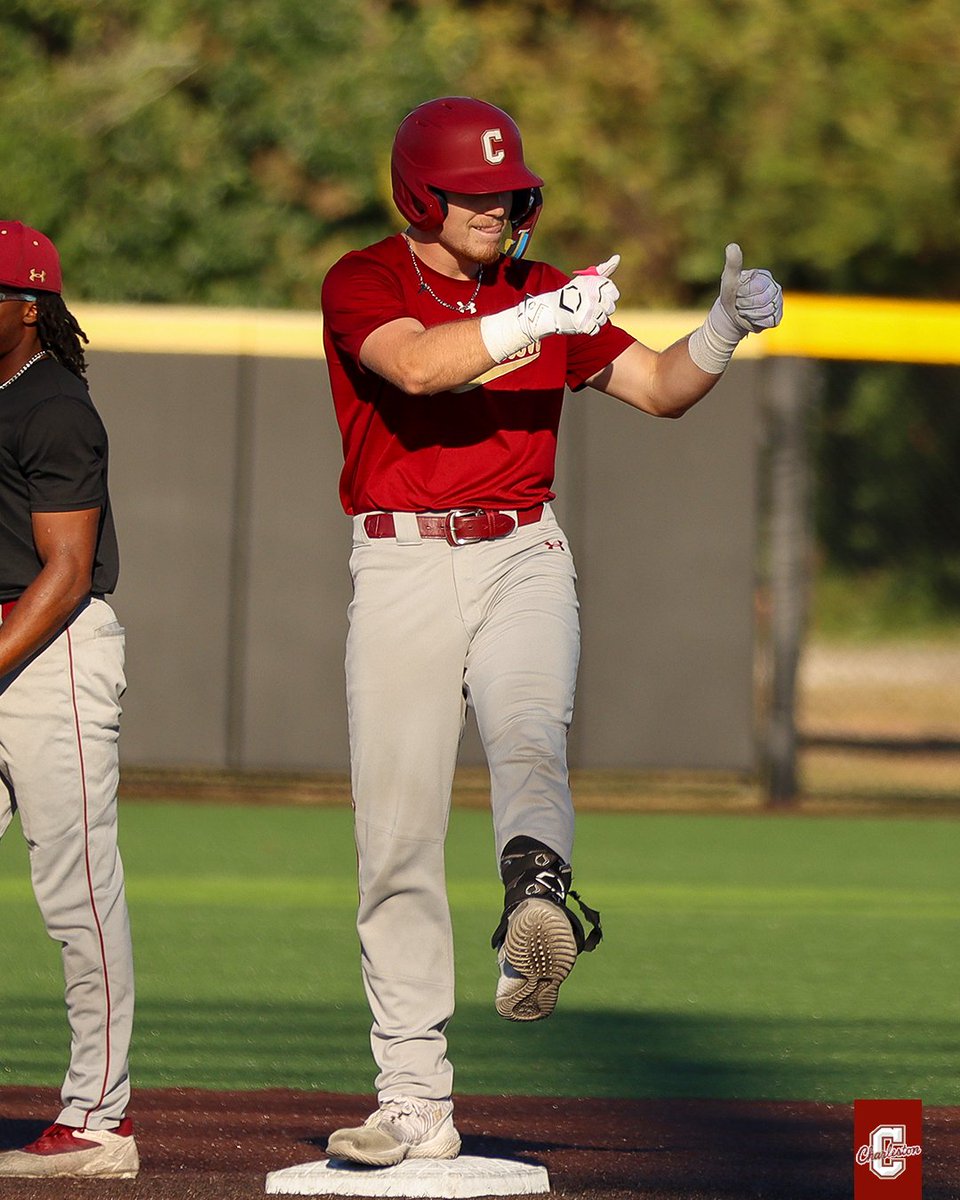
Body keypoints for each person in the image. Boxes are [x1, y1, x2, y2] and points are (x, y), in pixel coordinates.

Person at [319, 96, 782, 1167]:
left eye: (507, 191)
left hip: (524, 544)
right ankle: (413, 1101)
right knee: (395, 838)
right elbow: (421, 368)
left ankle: (537, 893)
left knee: (531, 735)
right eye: (474, 193)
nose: (498, 205)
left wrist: (721, 330)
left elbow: (662, 388)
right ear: (418, 194)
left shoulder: (544, 287)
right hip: (399, 556)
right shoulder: (366, 279)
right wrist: (543, 319)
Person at [0, 221, 137, 1179]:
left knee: (76, 893)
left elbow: (68, 571)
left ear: (24, 305)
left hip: (52, 654)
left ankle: (98, 1120)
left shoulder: (53, 406)